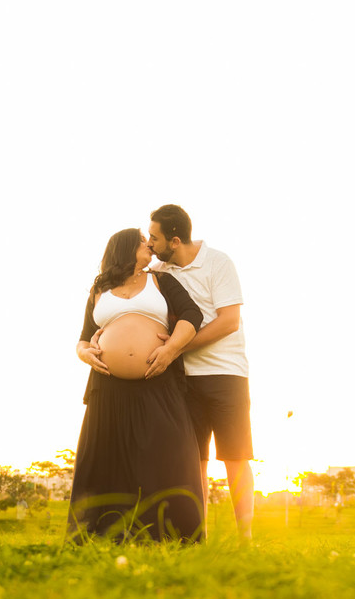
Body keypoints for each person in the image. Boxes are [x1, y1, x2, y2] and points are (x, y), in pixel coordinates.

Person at [69, 227, 205, 542]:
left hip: (157, 378)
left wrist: (170, 350)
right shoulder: (98, 289)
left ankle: (174, 537)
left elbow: (191, 316)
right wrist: (86, 353)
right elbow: (82, 339)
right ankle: (102, 537)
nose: (149, 244)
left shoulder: (161, 281)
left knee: (168, 454)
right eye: (143, 241)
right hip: (107, 384)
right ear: (126, 248)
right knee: (106, 458)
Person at [147, 204, 255, 541]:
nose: (150, 244)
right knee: (195, 462)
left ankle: (245, 539)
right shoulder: (159, 270)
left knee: (235, 457)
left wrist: (175, 347)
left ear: (175, 240)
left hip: (226, 374)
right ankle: (198, 536)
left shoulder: (218, 262)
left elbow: (228, 321)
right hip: (183, 379)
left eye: (155, 238)